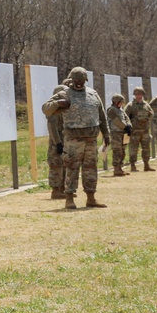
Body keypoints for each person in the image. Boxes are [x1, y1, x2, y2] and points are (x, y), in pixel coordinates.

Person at [42, 67, 110, 210]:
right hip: (73, 140)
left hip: (91, 139)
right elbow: (46, 108)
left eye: (82, 80)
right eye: (76, 80)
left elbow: (101, 115)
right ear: (72, 80)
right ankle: (69, 198)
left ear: (85, 80)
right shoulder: (65, 93)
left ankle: (91, 198)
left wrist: (106, 134)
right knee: (72, 168)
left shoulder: (93, 94)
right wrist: (57, 103)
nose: (79, 83)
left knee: (91, 169)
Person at [124, 87, 155, 172]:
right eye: (137, 94)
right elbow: (124, 116)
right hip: (135, 131)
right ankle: (133, 165)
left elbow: (152, 114)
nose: (138, 96)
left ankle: (146, 165)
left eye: (140, 94)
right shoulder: (130, 105)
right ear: (134, 95)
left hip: (145, 130)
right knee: (133, 148)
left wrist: (147, 118)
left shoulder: (146, 105)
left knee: (146, 148)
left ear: (142, 95)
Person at [46, 85, 67, 199]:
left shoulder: (62, 109)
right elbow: (52, 128)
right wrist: (58, 143)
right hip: (56, 144)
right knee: (56, 167)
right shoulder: (53, 109)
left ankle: (62, 189)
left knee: (63, 166)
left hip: (64, 142)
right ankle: (55, 190)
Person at [105, 94, 131, 176]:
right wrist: (125, 127)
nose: (122, 104)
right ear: (116, 102)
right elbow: (116, 121)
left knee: (123, 151)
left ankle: (120, 167)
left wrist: (129, 126)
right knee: (117, 151)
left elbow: (127, 118)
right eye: (121, 102)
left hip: (123, 133)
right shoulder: (111, 110)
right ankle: (116, 169)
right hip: (115, 133)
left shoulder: (121, 110)